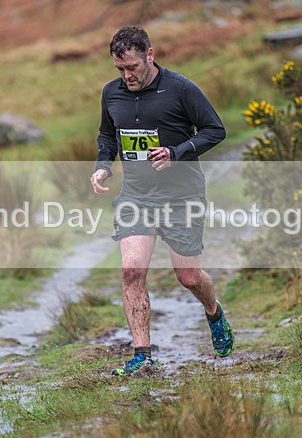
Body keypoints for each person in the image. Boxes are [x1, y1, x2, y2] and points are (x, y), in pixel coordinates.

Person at [90, 26, 234, 376]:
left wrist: (176, 152)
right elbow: (108, 136)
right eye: (120, 70)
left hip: (181, 195)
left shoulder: (181, 88)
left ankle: (213, 312)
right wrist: (102, 167)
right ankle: (142, 355)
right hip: (137, 196)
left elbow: (216, 130)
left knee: (187, 276)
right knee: (131, 272)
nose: (127, 77)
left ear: (150, 56)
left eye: (133, 68)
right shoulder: (112, 94)